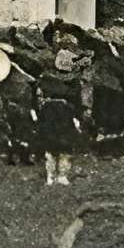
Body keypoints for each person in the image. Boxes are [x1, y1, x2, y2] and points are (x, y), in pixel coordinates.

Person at [37, 24, 90, 186]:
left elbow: (39, 96)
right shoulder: (73, 82)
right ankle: (59, 175)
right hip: (63, 113)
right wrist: (79, 117)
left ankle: (52, 176)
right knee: (63, 146)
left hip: (51, 113)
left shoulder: (46, 79)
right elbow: (78, 101)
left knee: (52, 146)